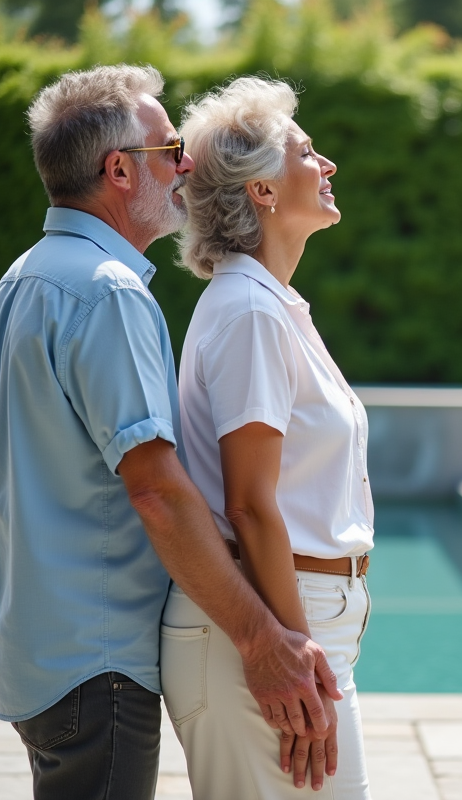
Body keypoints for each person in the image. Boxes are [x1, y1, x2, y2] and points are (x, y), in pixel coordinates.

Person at [0, 64, 341, 800]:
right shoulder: (108, 293)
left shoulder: (22, 279)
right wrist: (261, 639)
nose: (185, 166)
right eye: (170, 149)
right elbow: (157, 494)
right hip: (97, 658)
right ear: (117, 170)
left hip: (34, 649)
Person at [159, 75, 374, 798]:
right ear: (261, 191)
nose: (329, 165)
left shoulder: (268, 305)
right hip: (270, 634)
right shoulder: (250, 312)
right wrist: (288, 651)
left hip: (296, 629)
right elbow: (250, 504)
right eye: (308, 152)